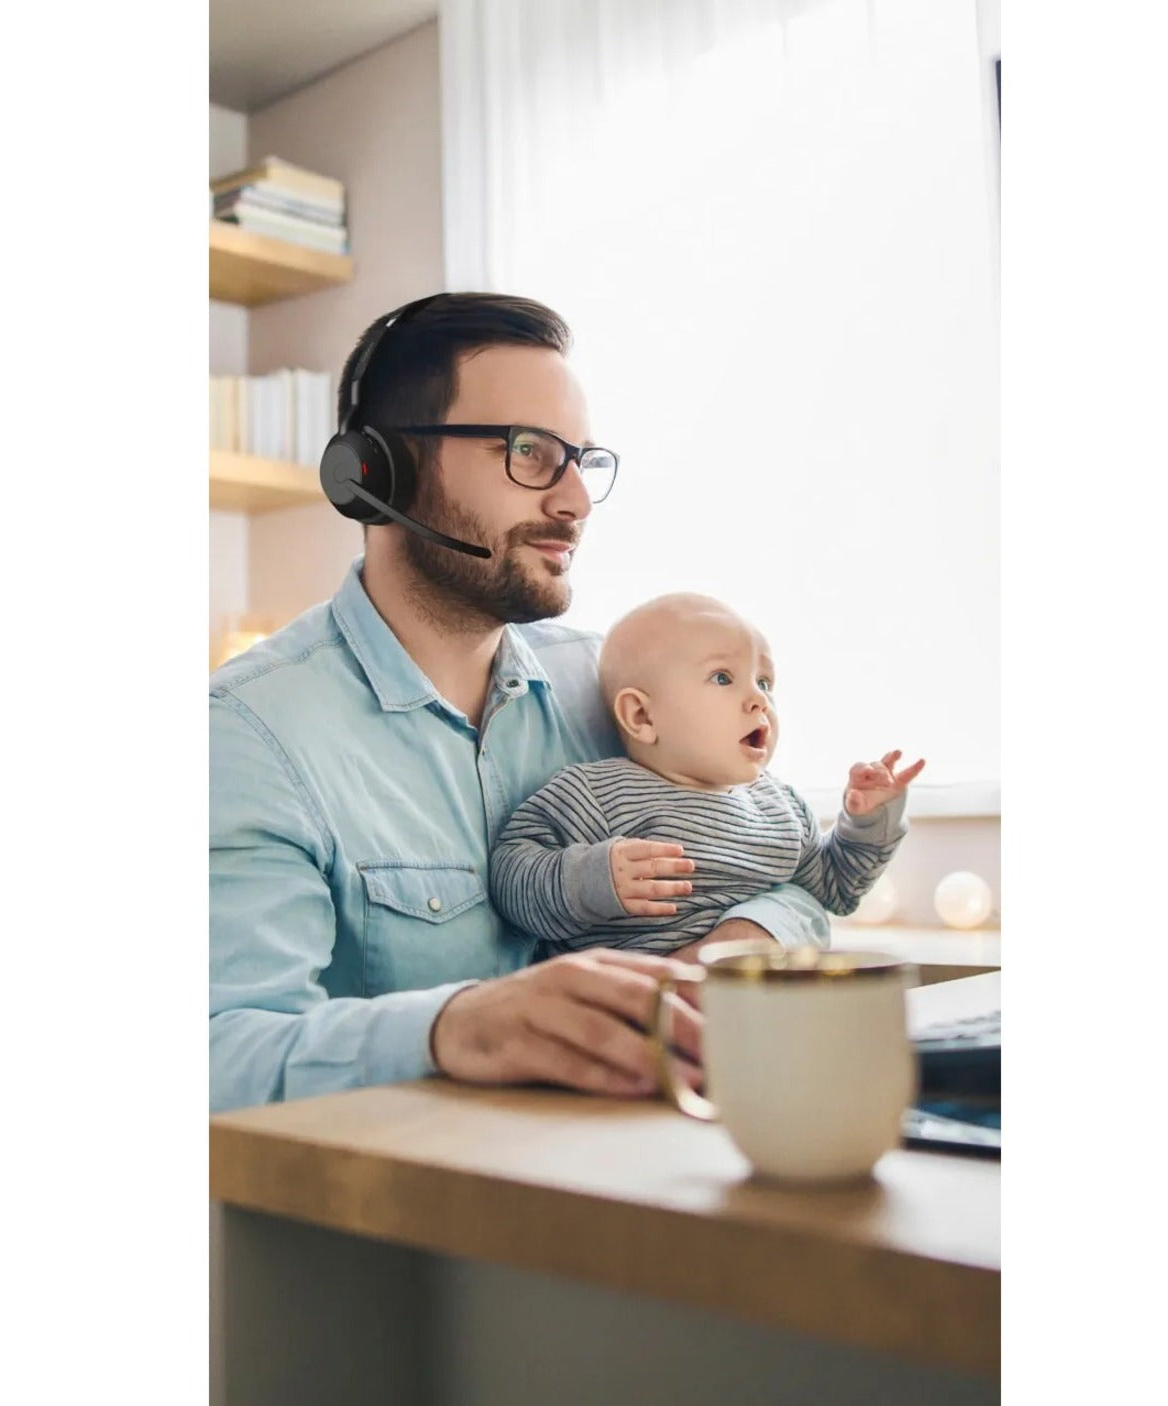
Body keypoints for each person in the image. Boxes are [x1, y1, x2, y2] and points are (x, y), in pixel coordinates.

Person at [209, 293, 830, 1114]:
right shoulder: (249, 732)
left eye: (582, 459)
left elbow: (796, 873)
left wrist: (736, 945)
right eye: (530, 453)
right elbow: (223, 1053)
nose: (574, 501)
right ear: (377, 472)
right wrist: (456, 1028)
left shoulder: (614, 690)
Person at [488, 593, 925, 957]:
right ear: (641, 715)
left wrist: (868, 821)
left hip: (756, 1019)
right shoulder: (595, 795)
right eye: (722, 677)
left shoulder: (782, 808)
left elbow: (836, 890)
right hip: (629, 1023)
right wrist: (591, 879)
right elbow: (510, 875)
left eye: (765, 682)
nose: (758, 700)